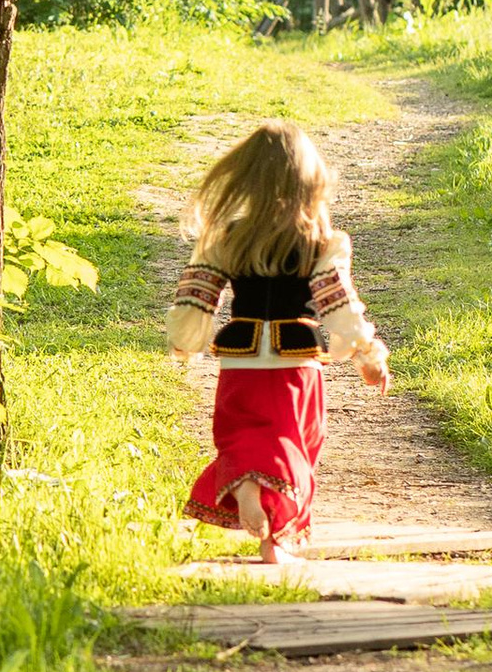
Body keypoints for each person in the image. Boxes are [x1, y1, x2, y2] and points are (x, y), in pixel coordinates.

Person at [167, 120, 391, 562]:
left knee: (242, 435)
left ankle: (249, 488)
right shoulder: (320, 242)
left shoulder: (228, 238)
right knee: (296, 443)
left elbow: (197, 295)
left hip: (240, 361)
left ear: (246, 179)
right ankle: (276, 542)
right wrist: (368, 353)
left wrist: (185, 339)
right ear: (311, 179)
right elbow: (339, 306)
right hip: (295, 362)